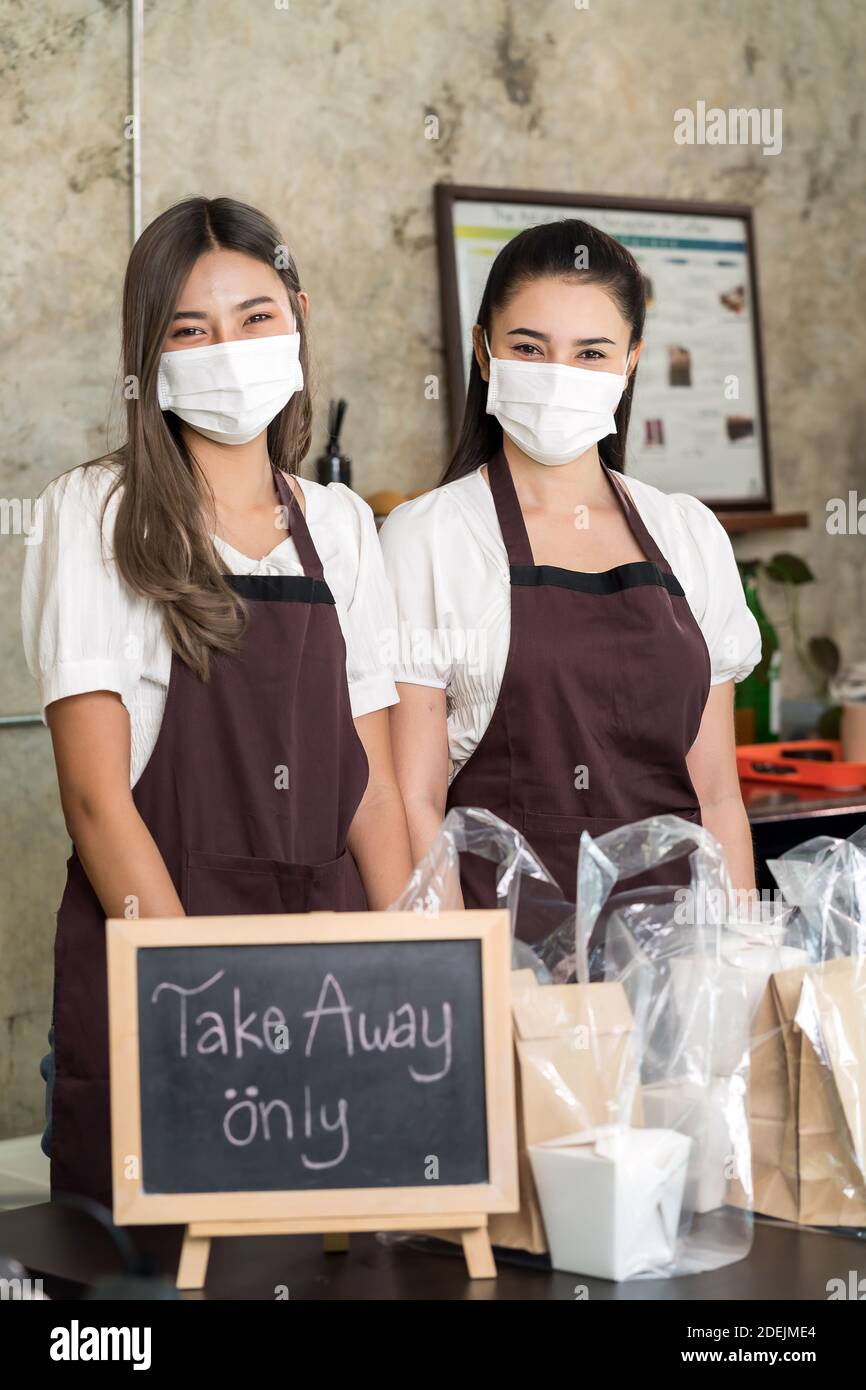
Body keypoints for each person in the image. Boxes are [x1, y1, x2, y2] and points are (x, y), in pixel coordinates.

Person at [21, 196, 412, 1207]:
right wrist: (200, 1002)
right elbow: (99, 801)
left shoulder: (337, 526)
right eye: (189, 329)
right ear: (147, 355)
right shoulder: (95, 513)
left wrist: (416, 976)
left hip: (328, 991)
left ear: (298, 317)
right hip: (166, 980)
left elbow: (368, 789)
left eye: (253, 316)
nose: (225, 348)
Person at [381, 218, 761, 937]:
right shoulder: (428, 538)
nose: (559, 375)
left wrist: (735, 974)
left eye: (591, 353)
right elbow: (415, 803)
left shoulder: (687, 533)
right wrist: (466, 989)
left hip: (679, 969)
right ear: (484, 353)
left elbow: (717, 798)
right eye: (530, 348)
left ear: (631, 362)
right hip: (510, 968)